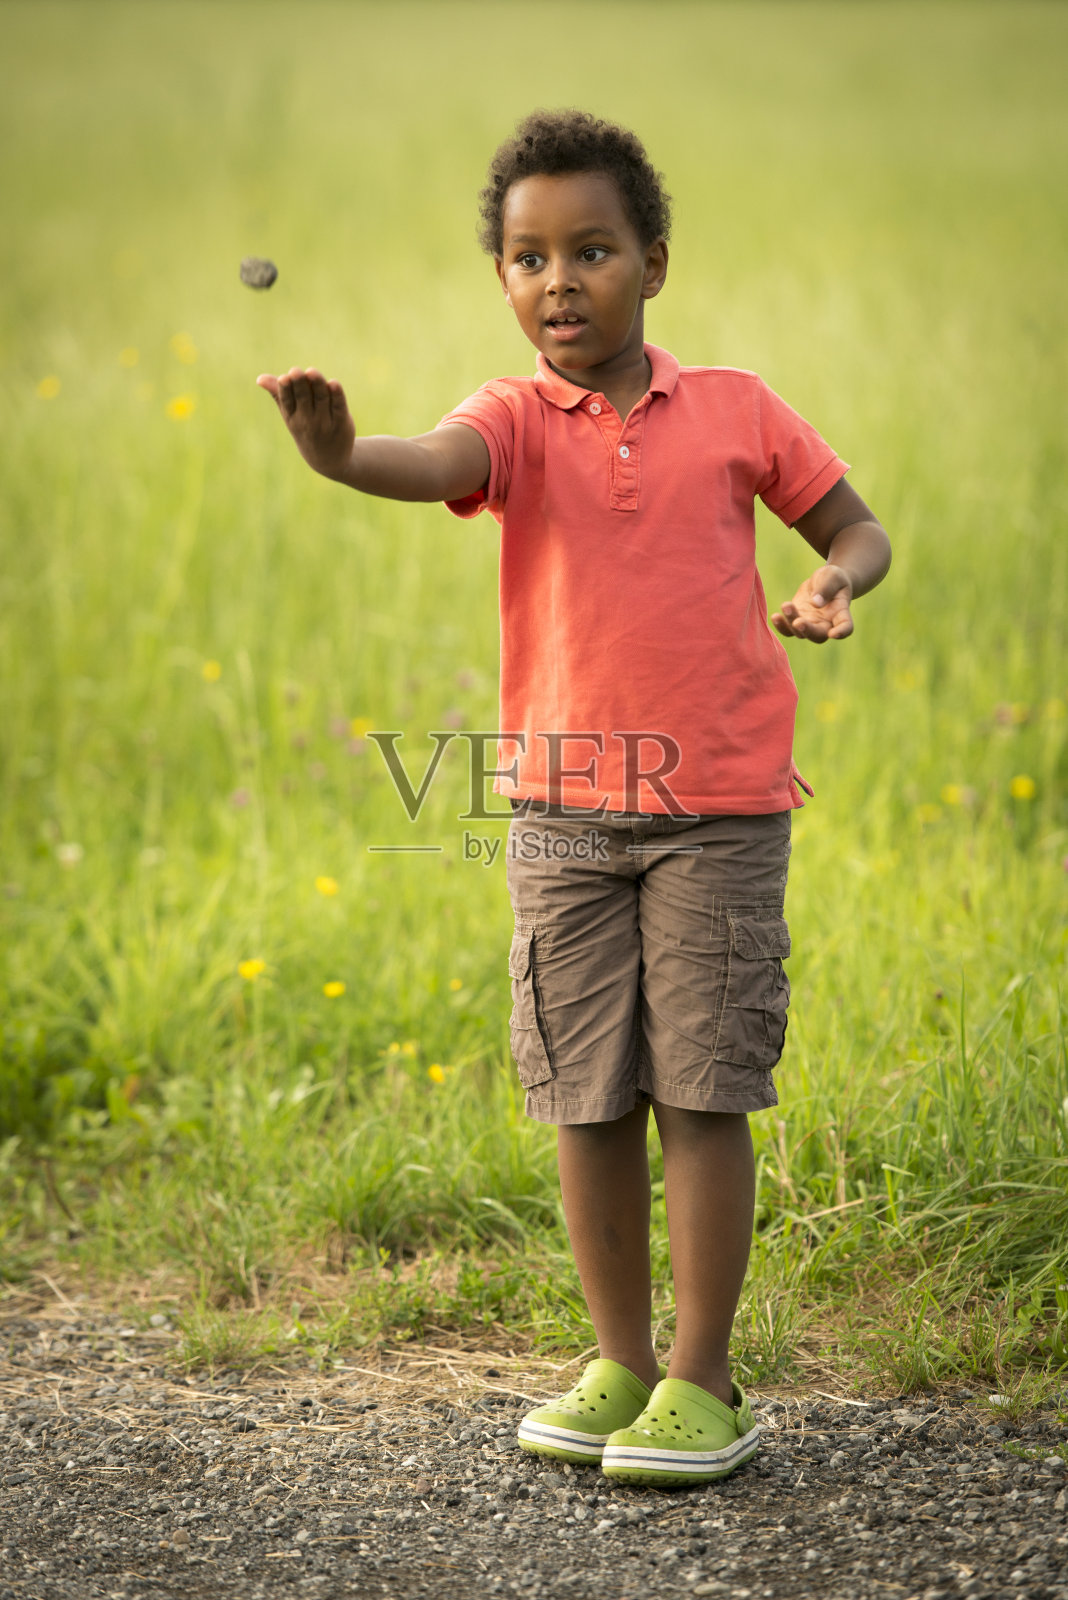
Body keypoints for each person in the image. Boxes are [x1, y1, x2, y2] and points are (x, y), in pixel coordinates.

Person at [257, 109, 891, 1487]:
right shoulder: (511, 422)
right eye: (528, 256)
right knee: (585, 1096)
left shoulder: (735, 408)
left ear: (653, 262)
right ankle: (618, 1361)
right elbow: (428, 463)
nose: (560, 281)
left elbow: (853, 520)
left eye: (591, 251)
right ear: (503, 280)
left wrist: (839, 575)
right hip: (560, 815)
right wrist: (338, 454)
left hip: (719, 810)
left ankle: (703, 1379)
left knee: (704, 1089)